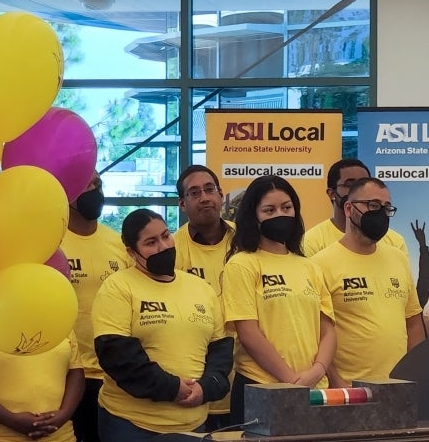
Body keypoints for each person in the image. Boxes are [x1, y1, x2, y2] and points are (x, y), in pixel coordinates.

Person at [92, 209, 232, 441]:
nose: (164, 246)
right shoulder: (117, 287)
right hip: (131, 425)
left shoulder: (201, 288)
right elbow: (117, 355)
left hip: (193, 424)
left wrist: (206, 388)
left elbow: (220, 349)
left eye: (166, 236)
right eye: (151, 242)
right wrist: (172, 388)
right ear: (131, 251)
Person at [222, 175, 335, 424]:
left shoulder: (310, 267)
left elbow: (327, 331)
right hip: (261, 388)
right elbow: (248, 334)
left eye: (286, 207)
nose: (280, 215)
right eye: (269, 210)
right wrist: (292, 381)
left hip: (314, 389)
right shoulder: (242, 264)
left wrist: (317, 371)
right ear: (254, 216)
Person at [311, 178, 424, 387]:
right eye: (372, 206)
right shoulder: (320, 264)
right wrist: (338, 383)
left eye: (386, 208)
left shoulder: (398, 258)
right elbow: (315, 335)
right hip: (348, 391)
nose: (380, 213)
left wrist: (412, 375)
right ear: (348, 208)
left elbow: (414, 322)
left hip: (398, 388)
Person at [60, 172, 133, 442]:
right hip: (67, 374)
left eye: (98, 184)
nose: (95, 191)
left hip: (113, 374)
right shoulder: (51, 241)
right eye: (87, 184)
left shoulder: (118, 244)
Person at [173, 165, 236, 431]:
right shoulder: (172, 249)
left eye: (210, 190)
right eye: (194, 193)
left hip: (247, 374)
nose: (205, 197)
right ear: (183, 205)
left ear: (221, 195)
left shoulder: (245, 240)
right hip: (194, 382)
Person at [0, 333, 84, 442]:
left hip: (61, 437)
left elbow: (75, 371)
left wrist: (64, 414)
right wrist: (11, 419)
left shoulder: (61, 319)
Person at [302, 158, 408, 257]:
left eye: (363, 184)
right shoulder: (312, 241)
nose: (357, 189)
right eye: (350, 184)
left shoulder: (395, 241)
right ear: (332, 193)